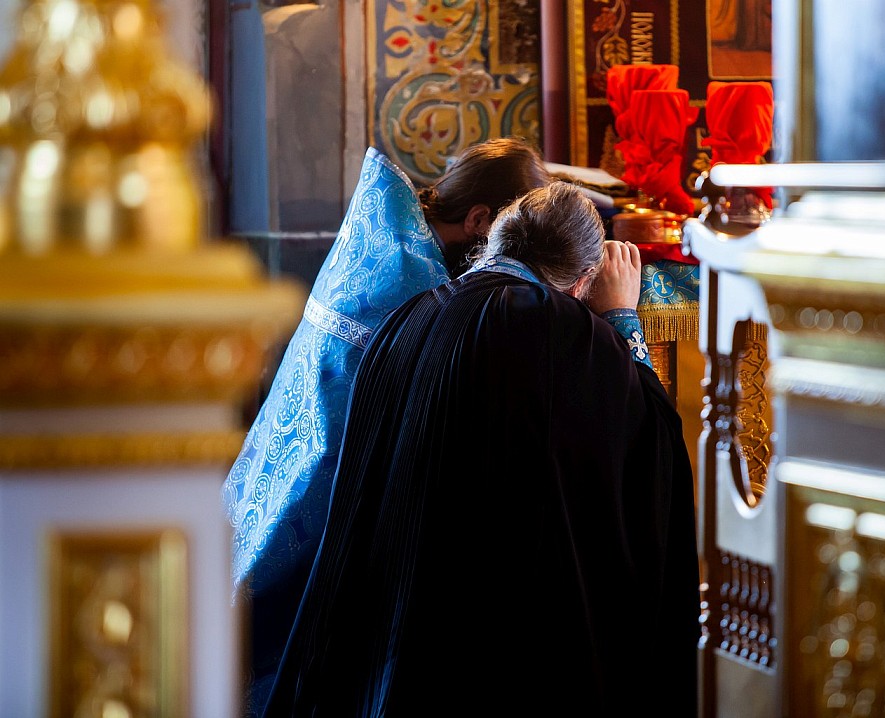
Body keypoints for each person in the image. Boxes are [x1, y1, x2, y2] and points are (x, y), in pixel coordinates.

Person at [263, 182, 700, 716]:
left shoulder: (412, 313)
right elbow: (652, 444)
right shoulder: (558, 327)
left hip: (389, 615)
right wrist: (622, 320)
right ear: (583, 280)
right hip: (488, 636)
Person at [221, 137, 552, 716]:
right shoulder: (412, 277)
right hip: (320, 476)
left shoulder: (392, 230)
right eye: (508, 238)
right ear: (479, 220)